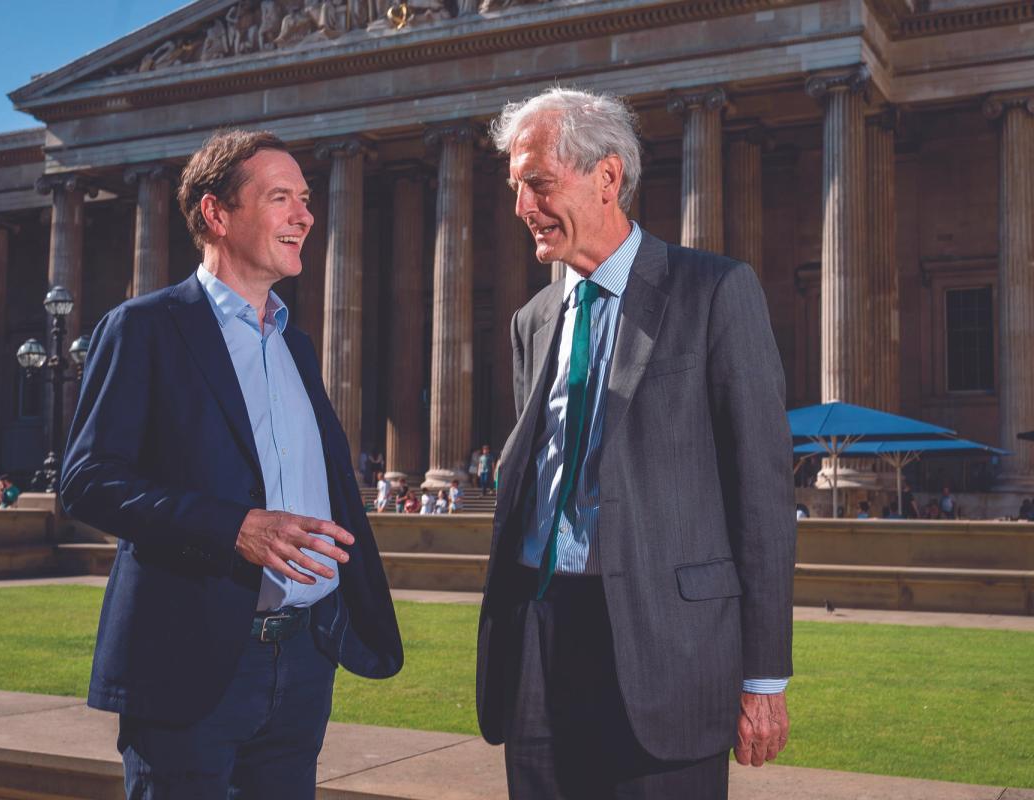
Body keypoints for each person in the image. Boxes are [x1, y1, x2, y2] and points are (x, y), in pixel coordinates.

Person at [60, 129, 402, 799]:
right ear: (216, 215)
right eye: (281, 198)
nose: (305, 215)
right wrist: (234, 527)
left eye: (305, 199)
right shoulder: (145, 328)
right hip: (193, 659)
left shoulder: (295, 344)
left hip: (302, 660)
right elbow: (88, 481)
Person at [476, 88, 794, 798]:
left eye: (538, 183)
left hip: (666, 647)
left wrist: (764, 677)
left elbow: (763, 494)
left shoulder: (714, 292)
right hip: (538, 631)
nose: (522, 205)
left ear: (607, 178)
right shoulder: (533, 320)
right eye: (515, 187)